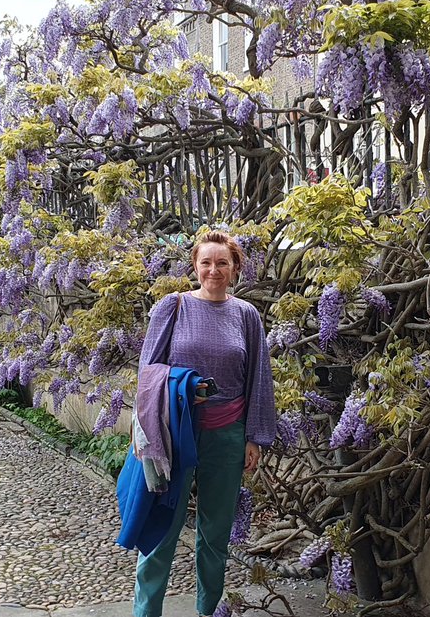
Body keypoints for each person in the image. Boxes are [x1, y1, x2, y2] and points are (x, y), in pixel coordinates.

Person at [133, 230, 275, 617]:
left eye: (222, 263)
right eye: (206, 262)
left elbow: (258, 378)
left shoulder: (246, 315)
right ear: (195, 266)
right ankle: (146, 612)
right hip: (175, 431)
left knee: (215, 534)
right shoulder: (172, 306)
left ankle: (208, 610)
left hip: (227, 433)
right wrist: (148, 428)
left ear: (235, 269)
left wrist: (254, 437)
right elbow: (148, 374)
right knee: (162, 526)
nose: (214, 270)